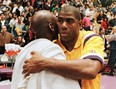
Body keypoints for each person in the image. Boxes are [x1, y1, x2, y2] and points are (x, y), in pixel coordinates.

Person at [23, 5, 104, 89]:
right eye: (60, 20)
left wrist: (44, 63)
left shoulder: (91, 39)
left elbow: (90, 69)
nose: (63, 25)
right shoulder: (52, 44)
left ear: (79, 25)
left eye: (69, 21)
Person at [11, 10, 80, 89]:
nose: (60, 26)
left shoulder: (24, 50)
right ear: (51, 27)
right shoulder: (51, 49)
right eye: (57, 21)